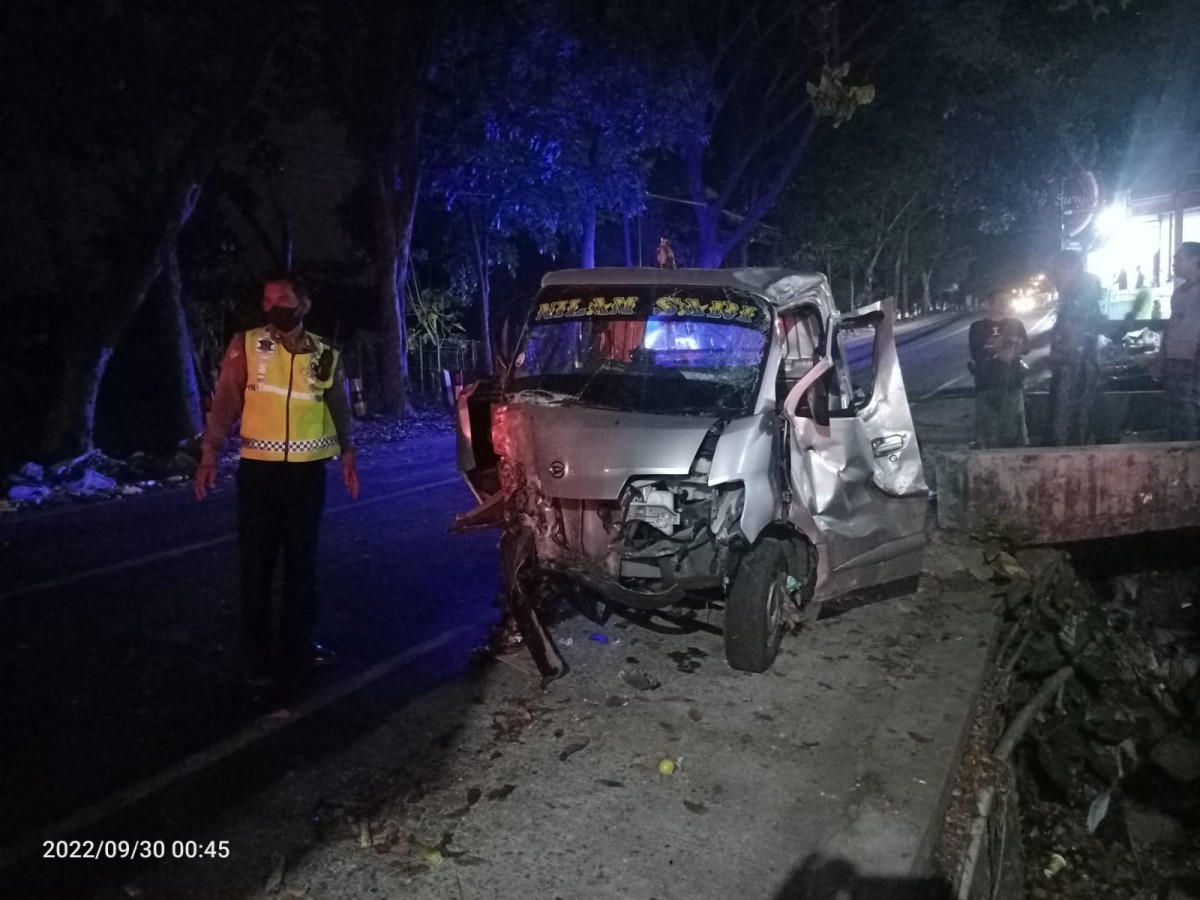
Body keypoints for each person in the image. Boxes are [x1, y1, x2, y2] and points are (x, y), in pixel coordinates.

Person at [195, 274, 359, 691]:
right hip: (260, 475)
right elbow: (225, 403)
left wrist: (348, 454)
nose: (272, 307)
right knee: (256, 568)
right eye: (267, 301)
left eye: (282, 299)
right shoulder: (246, 345)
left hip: (307, 474)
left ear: (303, 304)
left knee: (302, 566)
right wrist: (209, 453)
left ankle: (298, 646)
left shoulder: (325, 352)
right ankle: (256, 657)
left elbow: (337, 406)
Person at [1045, 250, 1103, 446]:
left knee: (1067, 426)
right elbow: (1058, 331)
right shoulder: (1072, 298)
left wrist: (1043, 362)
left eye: (1055, 273)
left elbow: (1072, 340)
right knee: (1072, 424)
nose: (1052, 278)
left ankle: (1068, 471)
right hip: (1074, 366)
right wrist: (1027, 343)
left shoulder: (1080, 299)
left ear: (1070, 270)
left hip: (1075, 369)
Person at [968, 290, 1029, 448]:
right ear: (988, 304)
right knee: (988, 432)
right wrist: (1003, 349)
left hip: (1012, 383)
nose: (1004, 303)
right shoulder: (977, 327)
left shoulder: (1016, 324)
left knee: (1015, 431)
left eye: (1007, 300)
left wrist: (1002, 348)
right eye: (999, 300)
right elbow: (977, 352)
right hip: (986, 384)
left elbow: (1025, 347)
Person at [1155, 242, 1200, 440]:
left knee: (1191, 414)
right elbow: (1171, 326)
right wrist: (1161, 357)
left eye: (1178, 259)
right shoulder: (1179, 293)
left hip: (1194, 364)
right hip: (1175, 362)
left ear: (1196, 260)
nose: (1174, 264)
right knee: (1175, 415)